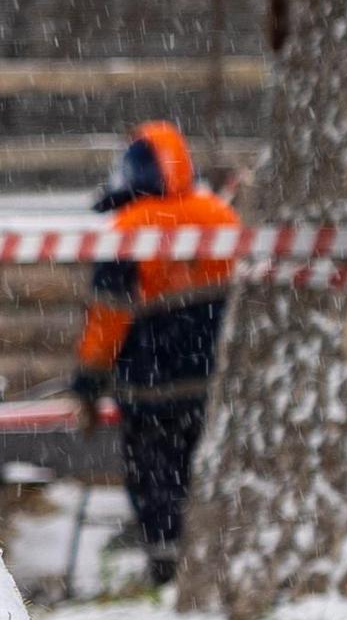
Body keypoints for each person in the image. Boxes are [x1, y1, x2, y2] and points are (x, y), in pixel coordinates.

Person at [68, 120, 242, 569]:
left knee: (155, 481)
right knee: (205, 474)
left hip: (149, 391)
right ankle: (212, 561)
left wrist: (87, 383)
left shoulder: (128, 230)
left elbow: (107, 318)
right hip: (213, 386)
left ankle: (165, 567)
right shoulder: (222, 219)